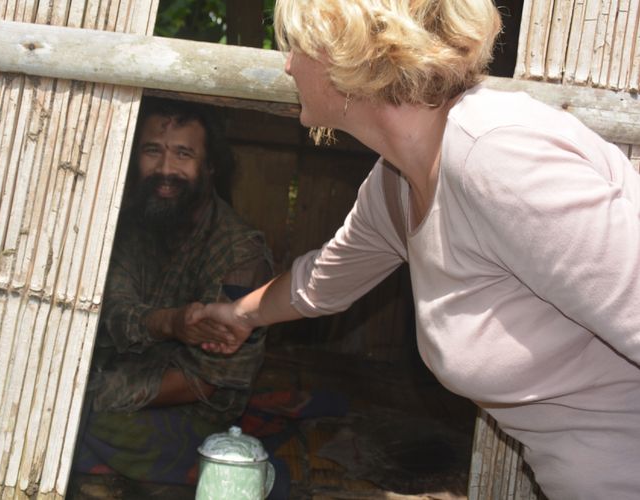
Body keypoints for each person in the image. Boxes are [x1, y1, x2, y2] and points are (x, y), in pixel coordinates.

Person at [191, 1, 640, 499]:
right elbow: (323, 281)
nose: (289, 64)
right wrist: (238, 315)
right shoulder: (398, 181)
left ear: (348, 50)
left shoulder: (497, 157)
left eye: (296, 46)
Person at [72, 97, 273, 488]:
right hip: (120, 377)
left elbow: (209, 379)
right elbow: (113, 310)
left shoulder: (239, 254)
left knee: (75, 425)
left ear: (210, 167)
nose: (165, 169)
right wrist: (170, 323)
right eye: (153, 151)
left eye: (183, 154)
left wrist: (100, 394)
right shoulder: (132, 224)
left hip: (191, 408)